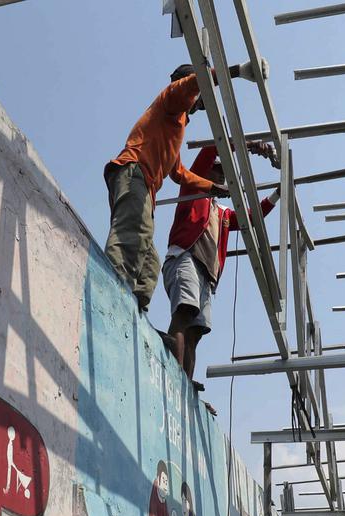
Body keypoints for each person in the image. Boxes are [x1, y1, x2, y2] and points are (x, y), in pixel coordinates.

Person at [104, 64, 236, 312]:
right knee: (132, 237)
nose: (199, 102)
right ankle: (110, 291)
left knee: (149, 263)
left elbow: (178, 173)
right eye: (198, 95)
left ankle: (133, 310)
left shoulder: (174, 125)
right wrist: (238, 71)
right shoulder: (172, 99)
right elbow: (193, 83)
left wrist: (211, 187)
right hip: (134, 173)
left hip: (143, 186)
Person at [163, 144, 280, 391]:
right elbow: (209, 150)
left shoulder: (223, 212)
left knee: (195, 332)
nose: (221, 177)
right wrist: (248, 146)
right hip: (186, 257)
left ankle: (185, 382)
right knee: (184, 313)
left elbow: (250, 217)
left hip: (206, 274)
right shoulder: (192, 189)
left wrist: (276, 195)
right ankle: (171, 370)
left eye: (223, 174)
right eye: (217, 171)